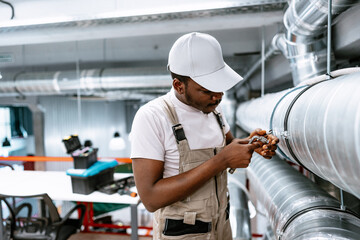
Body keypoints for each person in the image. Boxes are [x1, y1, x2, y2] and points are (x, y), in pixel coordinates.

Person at [130, 32, 278, 239]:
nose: (217, 97)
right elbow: (151, 198)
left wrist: (250, 143)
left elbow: (228, 146)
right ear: (178, 86)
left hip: (221, 226)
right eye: (207, 90)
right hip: (184, 233)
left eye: (220, 88)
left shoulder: (214, 111)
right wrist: (222, 161)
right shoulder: (152, 117)